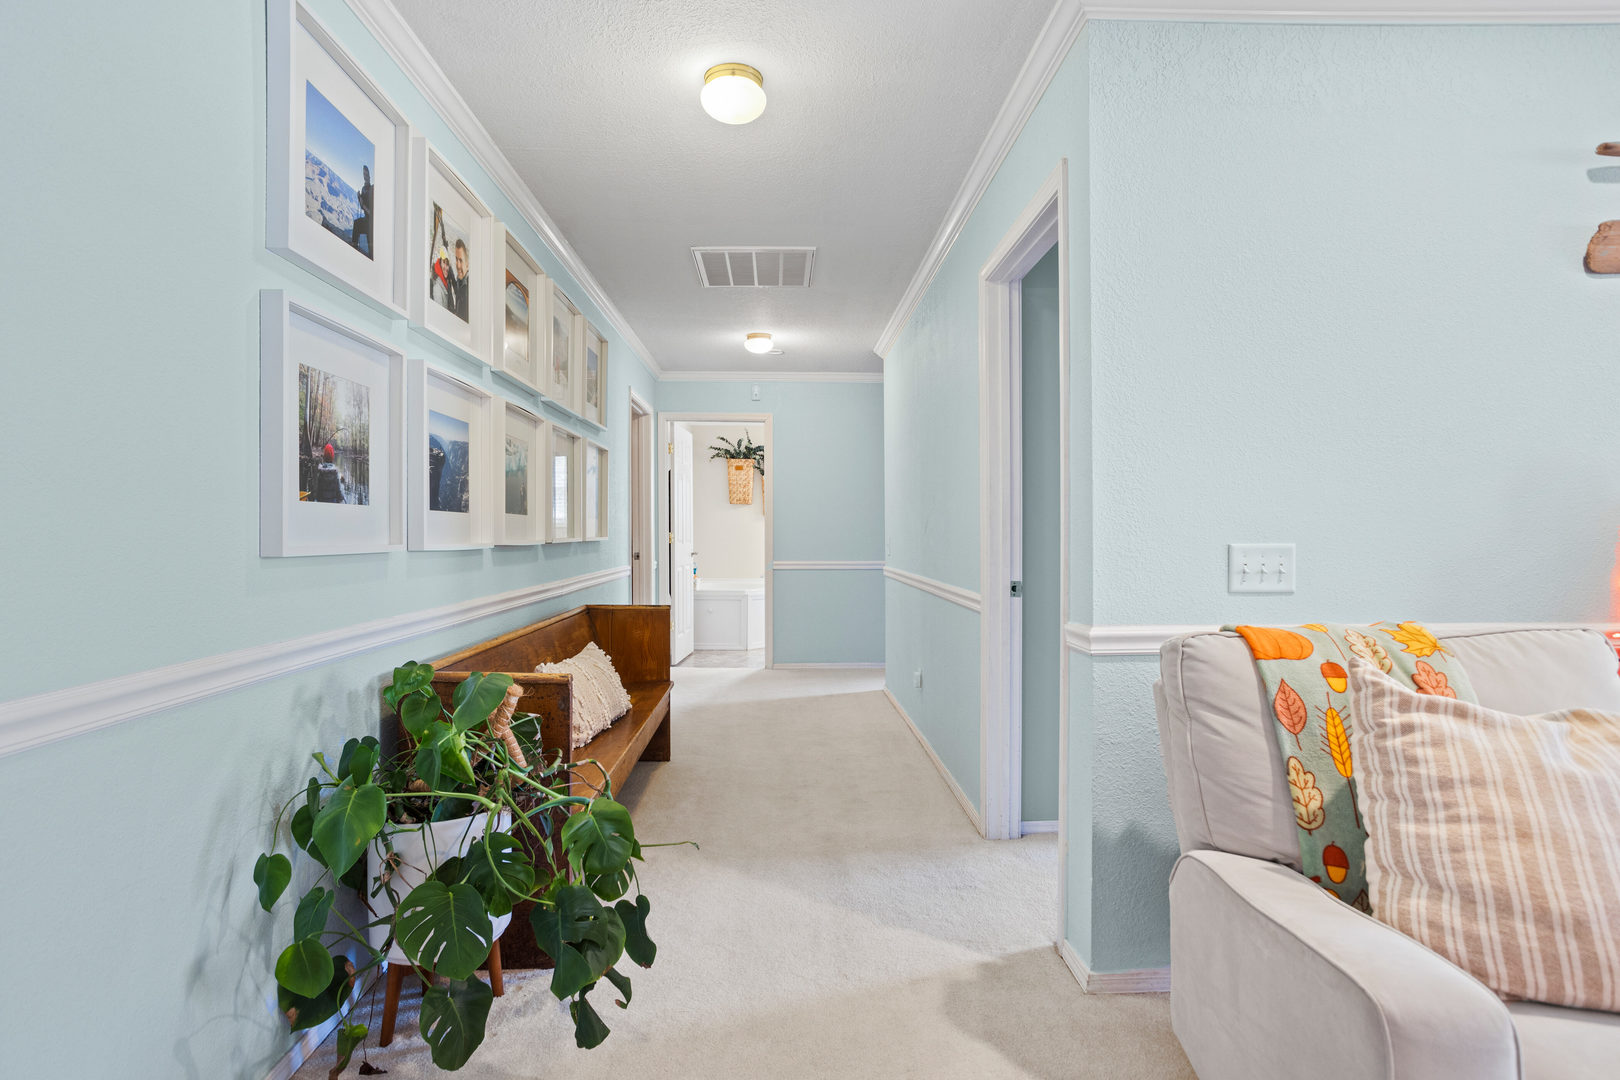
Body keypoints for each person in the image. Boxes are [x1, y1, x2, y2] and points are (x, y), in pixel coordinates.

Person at [350, 165, 373, 259]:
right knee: (357, 223)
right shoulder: (364, 189)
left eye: (366, 174)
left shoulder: (372, 190)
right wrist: (359, 198)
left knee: (371, 247)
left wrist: (362, 204)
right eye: (364, 174)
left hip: (371, 223)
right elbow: (362, 207)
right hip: (367, 220)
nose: (365, 176)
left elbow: (372, 213)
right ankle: (354, 246)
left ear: (369, 176)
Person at [451, 238, 471, 321]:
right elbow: (458, 291)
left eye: (461, 260)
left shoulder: (469, 290)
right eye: (456, 259)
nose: (458, 265)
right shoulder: (461, 280)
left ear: (467, 264)